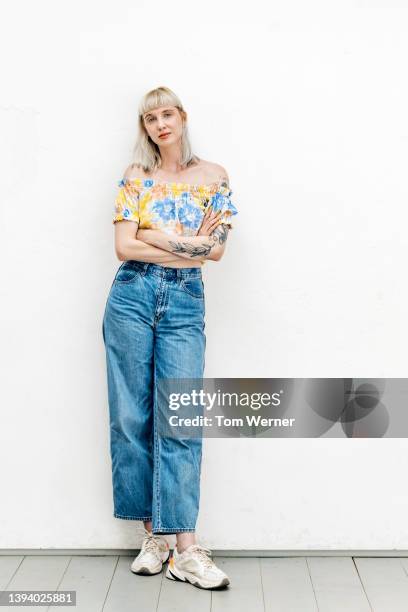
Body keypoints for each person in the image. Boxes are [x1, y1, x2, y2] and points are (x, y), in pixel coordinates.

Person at [102, 86, 238, 590]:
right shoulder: (136, 177)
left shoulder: (214, 176)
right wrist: (185, 244)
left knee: (179, 414)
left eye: (167, 114)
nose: (160, 124)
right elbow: (122, 247)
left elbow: (214, 253)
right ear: (145, 127)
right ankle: (153, 536)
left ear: (182, 117)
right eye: (150, 118)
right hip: (131, 298)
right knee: (131, 415)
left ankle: (185, 547)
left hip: (185, 302)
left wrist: (153, 237)